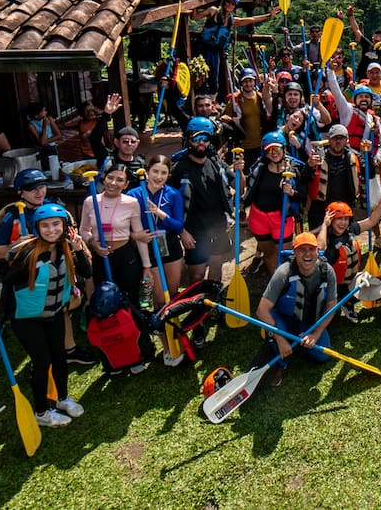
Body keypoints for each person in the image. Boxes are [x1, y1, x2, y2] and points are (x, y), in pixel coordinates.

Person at [0, 203, 93, 427]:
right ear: (37, 228)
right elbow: (7, 280)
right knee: (42, 361)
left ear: (64, 226)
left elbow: (87, 273)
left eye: (56, 225)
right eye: (45, 226)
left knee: (60, 356)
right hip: (26, 319)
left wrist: (79, 248)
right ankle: (41, 413)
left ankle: (62, 399)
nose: (51, 230)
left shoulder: (68, 248)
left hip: (54, 313)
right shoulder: (28, 253)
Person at [0, 168, 96, 367]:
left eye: (41, 187)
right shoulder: (13, 216)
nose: (39, 192)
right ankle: (43, 355)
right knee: (38, 314)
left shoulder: (55, 209)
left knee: (62, 309)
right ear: (20, 193)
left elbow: (71, 237)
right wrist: (16, 245)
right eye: (32, 189)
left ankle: (69, 350)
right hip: (29, 276)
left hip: (58, 269)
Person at [254, 232, 337, 388]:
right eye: (302, 250)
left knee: (322, 356)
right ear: (294, 252)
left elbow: (331, 305)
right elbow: (262, 311)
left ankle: (296, 340)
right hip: (282, 319)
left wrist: (315, 333)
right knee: (278, 343)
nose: (307, 254)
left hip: (308, 321)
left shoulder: (327, 271)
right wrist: (280, 337)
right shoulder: (284, 273)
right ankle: (280, 363)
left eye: (311, 249)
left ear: (318, 251)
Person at [128, 154, 186, 364]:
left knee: (172, 295)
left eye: (163, 173)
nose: (159, 177)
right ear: (147, 170)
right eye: (155, 171)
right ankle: (167, 346)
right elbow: (123, 227)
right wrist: (136, 236)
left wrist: (159, 213)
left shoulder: (173, 194)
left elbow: (178, 226)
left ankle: (177, 336)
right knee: (159, 299)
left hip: (169, 246)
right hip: (147, 248)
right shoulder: (133, 194)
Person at [170, 117, 239, 285]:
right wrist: (182, 232)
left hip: (217, 226)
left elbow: (239, 187)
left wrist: (240, 172)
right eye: (196, 138)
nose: (201, 143)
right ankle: (198, 307)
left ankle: (213, 303)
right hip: (193, 230)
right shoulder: (178, 169)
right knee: (197, 276)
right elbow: (169, 204)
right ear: (188, 140)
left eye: (205, 138)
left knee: (216, 269)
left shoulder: (217, 163)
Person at [79, 162, 152, 309]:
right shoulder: (90, 201)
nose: (113, 183)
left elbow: (139, 236)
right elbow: (83, 230)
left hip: (125, 257)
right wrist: (93, 244)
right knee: (103, 297)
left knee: (128, 298)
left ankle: (133, 329)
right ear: (104, 179)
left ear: (126, 185)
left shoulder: (131, 203)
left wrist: (147, 266)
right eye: (110, 178)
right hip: (101, 256)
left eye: (119, 180)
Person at [244, 132, 307, 274]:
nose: (274, 153)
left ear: (284, 149)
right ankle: (275, 280)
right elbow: (247, 189)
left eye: (277, 149)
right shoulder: (258, 169)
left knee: (285, 255)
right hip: (259, 217)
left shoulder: (294, 170)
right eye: (269, 150)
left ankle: (287, 280)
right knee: (269, 253)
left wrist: (292, 193)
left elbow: (303, 196)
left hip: (282, 219)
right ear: (264, 152)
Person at [317, 196, 381, 318]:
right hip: (332, 288)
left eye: (346, 219)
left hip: (352, 282)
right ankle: (343, 303)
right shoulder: (326, 238)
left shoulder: (350, 230)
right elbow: (320, 249)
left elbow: (372, 221)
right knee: (331, 318)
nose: (343, 223)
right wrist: (324, 225)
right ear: (331, 220)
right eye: (339, 219)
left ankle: (348, 302)